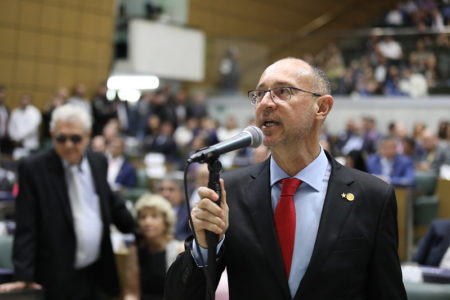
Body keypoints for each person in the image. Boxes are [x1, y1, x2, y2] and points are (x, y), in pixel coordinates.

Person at [165, 57, 407, 299]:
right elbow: (181, 296)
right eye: (259, 94)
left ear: (321, 108)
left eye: (283, 91)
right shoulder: (232, 192)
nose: (265, 103)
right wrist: (205, 246)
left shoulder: (372, 196)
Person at [0, 104, 136, 299]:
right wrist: (24, 275)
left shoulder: (98, 162)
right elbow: (26, 225)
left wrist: (137, 229)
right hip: (56, 273)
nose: (68, 145)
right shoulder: (33, 168)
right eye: (61, 138)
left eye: (76, 138)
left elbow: (109, 200)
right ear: (51, 133)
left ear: (88, 135)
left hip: (96, 270)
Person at [128, 194, 184, 300]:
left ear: (166, 221)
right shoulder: (136, 250)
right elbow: (132, 293)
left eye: (154, 216)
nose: (147, 222)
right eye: (143, 217)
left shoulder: (179, 250)